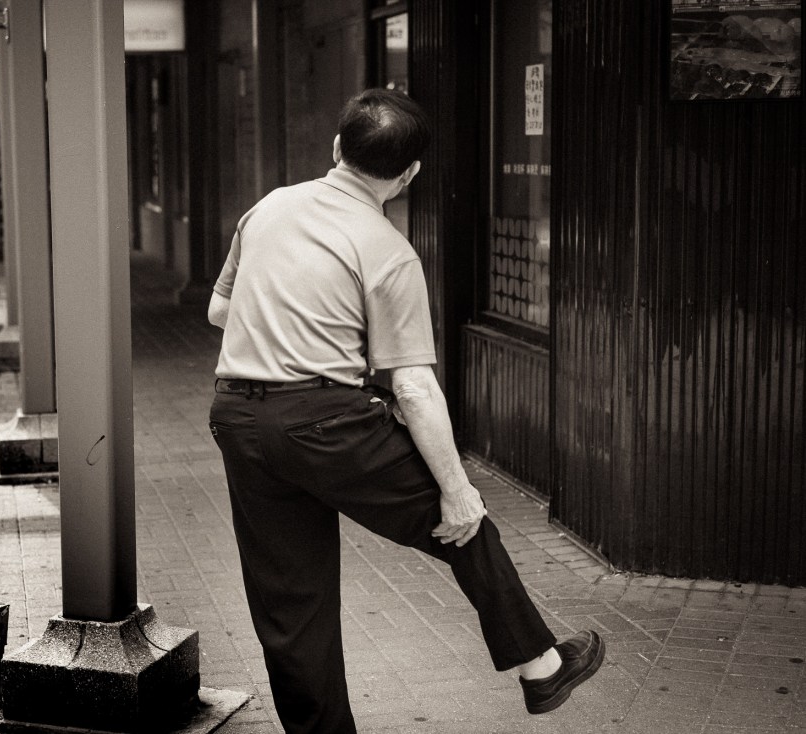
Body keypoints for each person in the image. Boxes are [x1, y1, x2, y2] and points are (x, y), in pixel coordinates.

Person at [206, 89, 604, 733]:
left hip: (239, 421)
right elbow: (414, 388)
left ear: (336, 148)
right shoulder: (389, 252)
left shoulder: (268, 208)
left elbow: (221, 312)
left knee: (290, 601)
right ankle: (541, 666)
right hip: (327, 422)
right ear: (411, 173)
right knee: (467, 524)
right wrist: (456, 488)